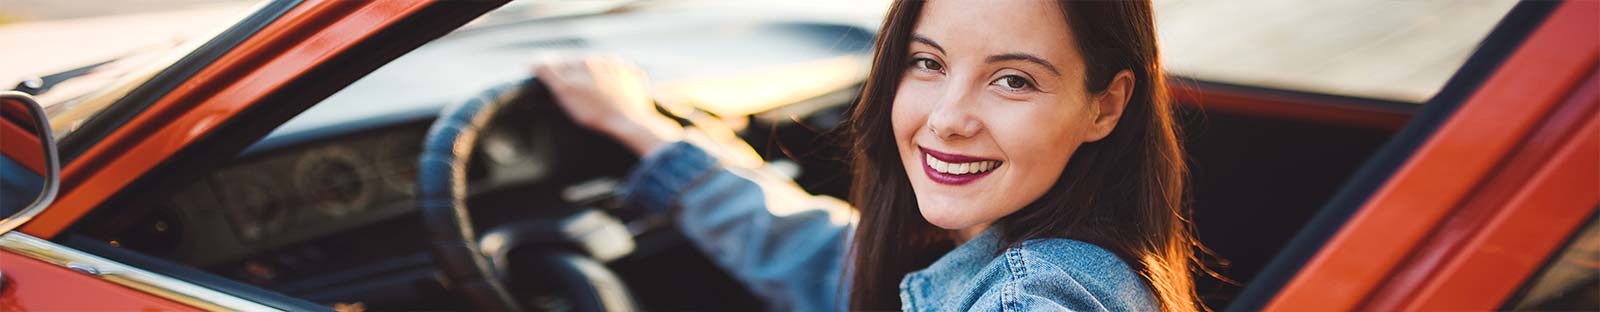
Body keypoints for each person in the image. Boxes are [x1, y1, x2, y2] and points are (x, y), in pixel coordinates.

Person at [533, 0, 1205, 310]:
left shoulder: (1034, 294)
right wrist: (647, 134)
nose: (946, 120)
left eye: (1014, 80)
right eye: (927, 63)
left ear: (1105, 106)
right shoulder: (990, 258)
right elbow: (830, 264)